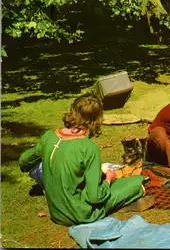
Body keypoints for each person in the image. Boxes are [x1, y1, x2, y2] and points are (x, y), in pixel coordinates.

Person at [18, 94, 152, 226]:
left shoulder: (48, 137)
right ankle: (122, 202)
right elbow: (94, 196)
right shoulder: (88, 148)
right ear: (95, 120)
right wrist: (108, 180)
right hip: (81, 215)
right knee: (136, 182)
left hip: (56, 215)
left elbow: (24, 161)